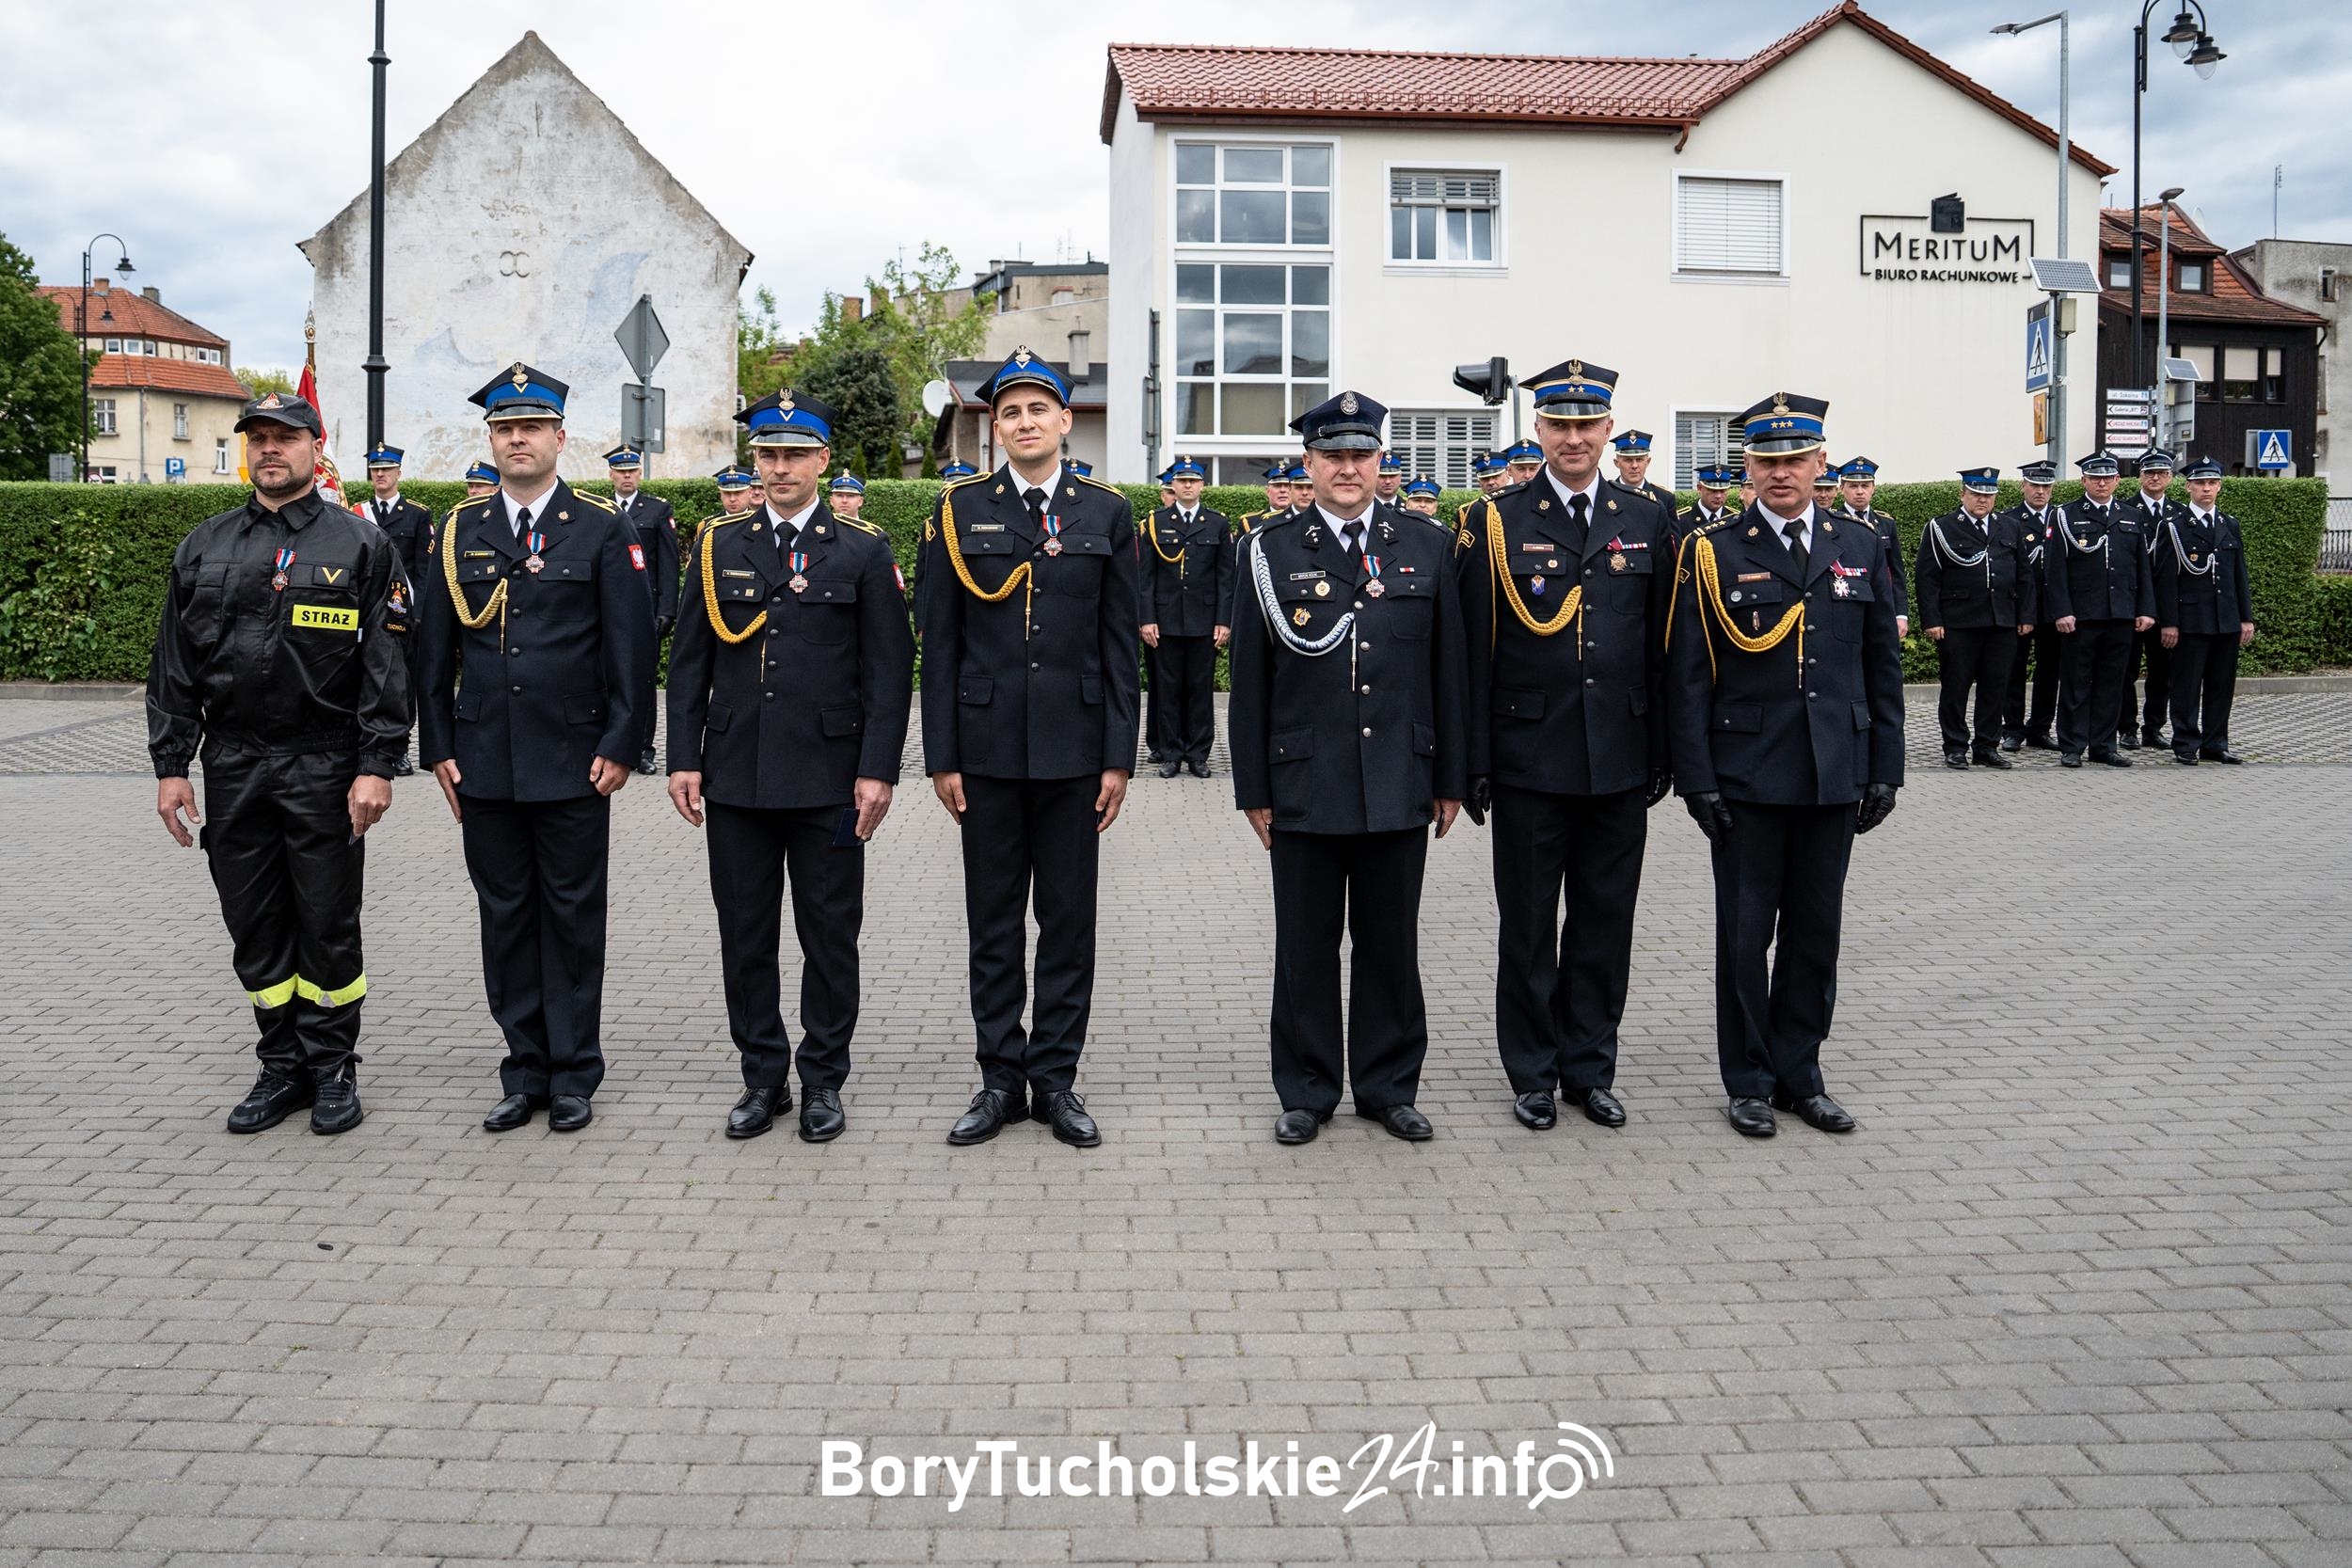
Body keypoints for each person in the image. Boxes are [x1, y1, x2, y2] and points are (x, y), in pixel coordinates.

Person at [148, 392, 412, 1135]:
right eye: (257, 438)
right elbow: (173, 667)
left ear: (313, 447)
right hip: (233, 767)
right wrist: (172, 765)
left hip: (325, 766)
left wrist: (378, 765)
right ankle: (281, 1067)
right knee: (255, 923)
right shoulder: (205, 545)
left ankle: (331, 1067)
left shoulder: (359, 545)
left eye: (284, 438)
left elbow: (387, 666)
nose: (270, 450)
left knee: (327, 921)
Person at [666, 389, 914, 1142]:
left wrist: (879, 770)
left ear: (822, 461)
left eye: (794, 454)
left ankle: (823, 1079)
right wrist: (684, 759)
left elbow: (890, 669)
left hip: (832, 779)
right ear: (756, 461)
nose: (779, 467)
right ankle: (762, 1075)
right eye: (768, 454)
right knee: (745, 933)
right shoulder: (717, 545)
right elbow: (686, 664)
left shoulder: (864, 551)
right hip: (736, 772)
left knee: (830, 933)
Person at [416, 363, 656, 1134]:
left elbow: (631, 648)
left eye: (531, 427)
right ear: (491, 440)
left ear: (560, 437)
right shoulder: (459, 531)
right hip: (484, 759)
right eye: (503, 428)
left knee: (574, 917)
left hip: (575, 757)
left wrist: (623, 742)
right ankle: (523, 1069)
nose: (517, 439)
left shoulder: (601, 528)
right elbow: (432, 653)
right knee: (506, 916)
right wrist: (439, 748)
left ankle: (575, 1070)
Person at [1228, 390, 1468, 1146]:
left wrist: (1451, 775)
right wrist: (1253, 789)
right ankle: (1306, 1087)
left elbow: (1448, 669)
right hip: (1305, 780)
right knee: (1304, 942)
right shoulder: (1267, 551)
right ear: (1309, 463)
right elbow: (1250, 681)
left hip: (1400, 774)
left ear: (1379, 462)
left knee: (1391, 942)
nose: (1347, 467)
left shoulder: (1426, 544)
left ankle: (1389, 1085)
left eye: (1361, 454)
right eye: (1332, 455)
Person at [914, 348, 1139, 1149]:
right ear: (994, 425)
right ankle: (999, 1080)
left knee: (1069, 922)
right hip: (985, 753)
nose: (1024, 422)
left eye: (1037, 409)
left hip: (1077, 752)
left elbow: (1120, 650)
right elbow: (936, 646)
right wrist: (941, 755)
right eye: (1009, 412)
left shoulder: (1107, 514)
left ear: (1064, 420)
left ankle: (1057, 1080)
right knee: (994, 922)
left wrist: (1120, 757)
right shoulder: (956, 511)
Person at [1666, 391, 1903, 1139]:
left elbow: (1881, 666)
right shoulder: (1714, 549)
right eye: (1767, 461)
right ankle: (1749, 1079)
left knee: (1815, 931)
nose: (1781, 473)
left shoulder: (1858, 544)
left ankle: (1802, 1073)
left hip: (1834, 769)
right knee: (1744, 934)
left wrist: (1886, 766)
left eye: (1795, 459)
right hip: (1747, 773)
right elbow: (1689, 673)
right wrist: (1695, 776)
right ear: (1747, 468)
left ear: (1819, 462)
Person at [1457, 359, 1673, 1132]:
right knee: (1527, 924)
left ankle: (1590, 1067)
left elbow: (1664, 646)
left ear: (1609, 429)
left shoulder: (1649, 518)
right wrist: (1474, 760)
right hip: (1526, 758)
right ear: (1538, 431)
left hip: (1618, 754)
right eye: (1559, 423)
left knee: (1604, 921)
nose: (1574, 437)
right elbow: (1473, 649)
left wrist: (1664, 752)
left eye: (1588, 424)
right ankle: (1533, 1072)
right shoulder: (1493, 520)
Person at [1915, 467, 2036, 770]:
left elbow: (2023, 576)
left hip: (2001, 620)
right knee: (1956, 687)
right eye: (1976, 494)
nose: (1982, 500)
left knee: (1995, 687)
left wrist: (2025, 615)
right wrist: (1932, 620)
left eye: (1988, 495)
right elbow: (1927, 579)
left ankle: (1986, 746)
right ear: (1963, 495)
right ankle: (1955, 746)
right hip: (1959, 622)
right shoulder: (1942, 528)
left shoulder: (2010, 527)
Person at [2042, 450, 2155, 768]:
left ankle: (2104, 745)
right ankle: (2072, 745)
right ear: (2084, 481)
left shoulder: (2131, 516)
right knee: (2076, 682)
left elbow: (2142, 568)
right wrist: (2061, 610)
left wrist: (2145, 609)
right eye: (2095, 478)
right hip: (2081, 614)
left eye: (2107, 477)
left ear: (2118, 481)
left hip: (2120, 612)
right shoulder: (2065, 515)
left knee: (2112, 682)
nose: (2101, 483)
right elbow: (2054, 570)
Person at [2156, 454, 2253, 765]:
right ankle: (2185, 742)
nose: (2207, 489)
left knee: (2221, 685)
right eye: (2200, 483)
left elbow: (2239, 574)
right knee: (2186, 685)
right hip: (2191, 620)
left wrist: (2245, 617)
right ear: (2188, 487)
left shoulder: (2229, 525)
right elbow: (2166, 579)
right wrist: (2169, 622)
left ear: (2220, 487)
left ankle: (2216, 742)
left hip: (2225, 618)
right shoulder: (2174, 527)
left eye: (2212, 483)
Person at [1141, 455, 1230, 778]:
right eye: (1182, 480)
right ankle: (1170, 753)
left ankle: (1199, 754)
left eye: (1193, 480)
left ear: (1203, 486)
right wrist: (1146, 619)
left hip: (1204, 623)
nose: (1188, 485)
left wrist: (1224, 620)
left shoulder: (1217, 523)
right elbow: (1145, 578)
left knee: (1200, 690)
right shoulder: (1155, 522)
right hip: (1164, 623)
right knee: (1167, 690)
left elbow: (1225, 578)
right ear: (1173, 486)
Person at [604, 444, 678, 774]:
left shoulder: (657, 510)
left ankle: (644, 749)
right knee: (607, 677)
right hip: (608, 608)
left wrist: (667, 610)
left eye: (632, 470)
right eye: (620, 471)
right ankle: (611, 743)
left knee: (644, 682)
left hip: (646, 609)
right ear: (611, 475)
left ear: (640, 473)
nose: (626, 476)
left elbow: (669, 563)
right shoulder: (602, 509)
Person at [361, 444, 433, 776]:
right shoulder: (358, 512)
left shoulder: (417, 514)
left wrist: (419, 615)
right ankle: (366, 746)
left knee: (402, 683)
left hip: (401, 614)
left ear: (398, 473)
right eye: (376, 470)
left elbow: (424, 568)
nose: (380, 475)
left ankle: (400, 748)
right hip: (367, 612)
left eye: (386, 469)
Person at [2117, 450, 2181, 751]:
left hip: (2166, 606)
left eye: (2161, 473)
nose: (2155, 478)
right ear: (2140, 477)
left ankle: (2153, 727)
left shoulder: (2180, 514)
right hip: (2131, 604)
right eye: (2149, 473)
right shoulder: (2124, 510)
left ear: (2170, 477)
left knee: (2163, 671)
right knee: (2125, 670)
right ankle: (2127, 728)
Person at [1998, 460, 2064, 752]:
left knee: (2050, 671)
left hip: (2052, 609)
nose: (2040, 491)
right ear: (2023, 486)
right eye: (2035, 485)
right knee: (2014, 669)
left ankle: (2041, 728)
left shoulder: (2062, 519)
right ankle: (2012, 728)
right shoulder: (2009, 520)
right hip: (2020, 608)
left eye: (2045, 486)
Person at [1834, 456, 1910, 640]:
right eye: (1853, 486)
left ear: (1873, 488)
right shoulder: (1832, 522)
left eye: (1865, 486)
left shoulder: (1886, 523)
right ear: (1842, 489)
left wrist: (1901, 614)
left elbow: (1896, 572)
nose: (1859, 491)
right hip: (1847, 602)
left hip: (1881, 602)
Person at [1609, 429, 1677, 516]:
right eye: (1628, 460)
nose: (1634, 466)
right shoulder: (1605, 494)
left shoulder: (1664, 498)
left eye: (1639, 459)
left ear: (1648, 462)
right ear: (1616, 463)